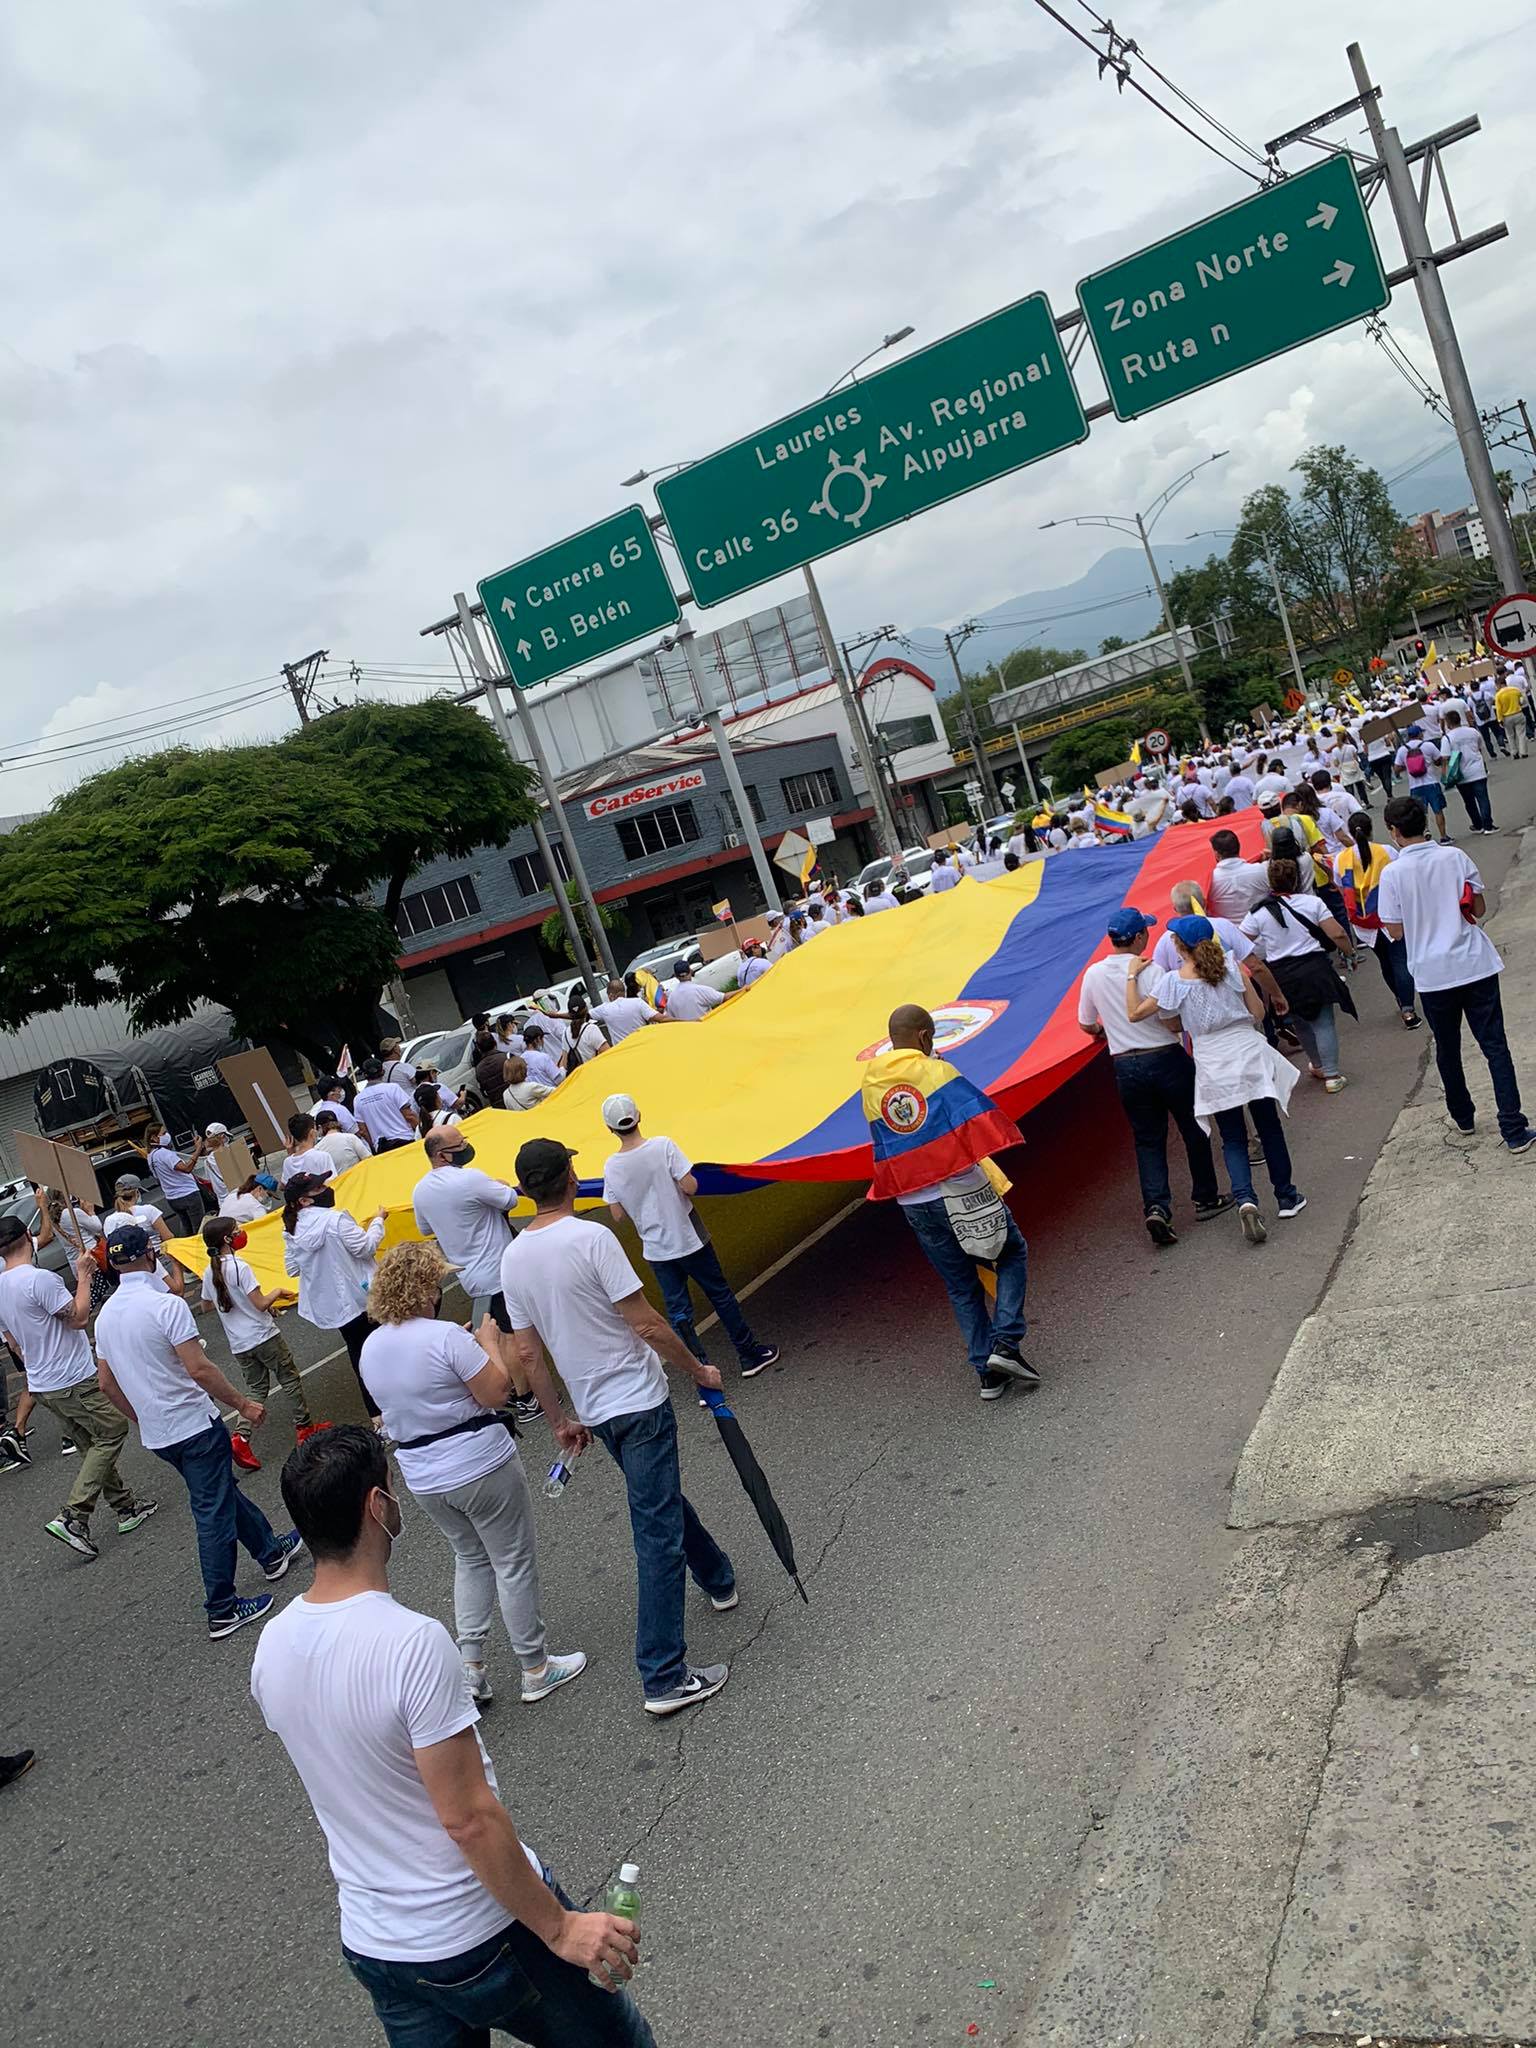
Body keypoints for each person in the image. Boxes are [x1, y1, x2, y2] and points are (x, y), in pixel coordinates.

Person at [250, 1426, 653, 2048]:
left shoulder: (271, 1646)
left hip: (377, 1946)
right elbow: (467, 1818)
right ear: (376, 1507)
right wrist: (557, 1928)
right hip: (478, 1933)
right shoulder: (410, 1643)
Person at [500, 1137, 735, 1717]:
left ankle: (718, 1576)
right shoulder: (592, 1238)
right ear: (570, 1178)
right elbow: (646, 1323)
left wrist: (558, 1420)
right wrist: (698, 1369)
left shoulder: (514, 1259)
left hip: (596, 1409)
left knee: (656, 1498)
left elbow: (528, 1354)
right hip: (638, 1397)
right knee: (654, 1529)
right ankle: (662, 1674)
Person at [363, 1242, 585, 1708]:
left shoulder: (372, 1346)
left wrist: (466, 1350)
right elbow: (496, 1391)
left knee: (469, 1557)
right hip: (477, 1463)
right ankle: (535, 1666)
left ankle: (472, 1667)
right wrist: (484, 1346)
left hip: (423, 1473)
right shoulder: (445, 1337)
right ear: (424, 1288)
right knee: (512, 1561)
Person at [94, 1225, 305, 1637]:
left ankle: (269, 1550)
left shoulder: (106, 1318)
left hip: (159, 1433)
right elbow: (199, 1368)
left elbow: (106, 1383)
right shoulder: (165, 1306)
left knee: (219, 1491)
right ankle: (222, 1607)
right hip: (191, 1423)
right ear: (150, 1255)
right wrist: (242, 1404)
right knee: (211, 1511)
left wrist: (141, 1417)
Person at [863, 1005, 1037, 1401]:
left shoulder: (871, 1083)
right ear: (925, 1037)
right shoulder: (938, 1073)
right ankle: (1007, 1343)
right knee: (1011, 1251)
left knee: (960, 1284)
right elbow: (974, 1119)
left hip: (912, 1199)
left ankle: (986, 1373)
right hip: (960, 1191)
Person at [1126, 917, 1304, 1245]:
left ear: (1179, 946)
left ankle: (1246, 1198)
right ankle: (1287, 1197)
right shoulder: (1233, 968)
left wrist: (1133, 977)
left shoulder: (1171, 982)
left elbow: (1161, 1022)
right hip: (1247, 1052)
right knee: (1269, 1127)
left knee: (1232, 1137)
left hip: (1212, 1061)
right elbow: (1257, 1014)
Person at [1378, 795, 1534, 1150]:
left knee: (1447, 1047)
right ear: (1425, 823)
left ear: (1394, 831)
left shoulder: (1393, 874)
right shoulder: (1455, 857)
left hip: (1433, 975)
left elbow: (1395, 930)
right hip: (1474, 964)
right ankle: (1513, 1128)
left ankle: (1462, 1115)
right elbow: (1477, 906)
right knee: (1495, 1046)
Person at [0, 1214, 156, 1558]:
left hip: (42, 1381)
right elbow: (80, 1317)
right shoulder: (41, 1280)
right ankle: (74, 1515)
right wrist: (83, 1276)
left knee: (90, 1443)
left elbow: (12, 1342)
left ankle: (125, 1506)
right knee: (113, 1430)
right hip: (71, 1377)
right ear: (28, 1236)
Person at [1077, 910, 1231, 1247]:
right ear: (1136, 938)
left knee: (1148, 1140)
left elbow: (1085, 1023)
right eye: (1144, 932)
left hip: (1125, 1064)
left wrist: (1106, 1030)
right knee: (1194, 1127)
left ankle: (1157, 1207)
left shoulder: (1093, 974)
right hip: (1166, 1057)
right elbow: (1171, 1019)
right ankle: (1205, 1196)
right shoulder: (1153, 971)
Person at [601, 1093, 778, 1383]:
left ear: (610, 1129)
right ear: (639, 1116)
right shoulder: (663, 1146)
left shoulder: (611, 1166)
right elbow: (690, 1186)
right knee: (720, 1294)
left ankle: (701, 1372)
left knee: (678, 1312)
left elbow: (617, 1213)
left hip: (656, 1249)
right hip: (689, 1236)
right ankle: (749, 1354)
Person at [412, 1125, 539, 1425]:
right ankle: (525, 1397)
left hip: (470, 1275)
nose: (466, 1147)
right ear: (442, 1155)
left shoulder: (421, 1190)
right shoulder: (469, 1180)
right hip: (498, 1269)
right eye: (460, 1144)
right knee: (509, 1336)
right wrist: (498, 1187)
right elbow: (510, 1199)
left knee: (495, 1333)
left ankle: (513, 1391)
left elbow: (425, 1228)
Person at [200, 1215, 324, 1470]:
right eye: (237, 1230)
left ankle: (241, 1437)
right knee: (289, 1379)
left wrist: (236, 1306)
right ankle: (304, 1428)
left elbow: (205, 1305)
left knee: (256, 1389)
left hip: (240, 1343)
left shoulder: (208, 1271)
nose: (241, 1232)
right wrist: (277, 1292)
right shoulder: (239, 1267)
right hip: (263, 1335)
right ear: (227, 1239)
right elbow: (259, 1303)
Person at [1241, 856, 1356, 1093]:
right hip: (1314, 967)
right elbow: (1337, 934)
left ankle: (1318, 1064)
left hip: (1282, 974)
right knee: (1323, 1021)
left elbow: (1241, 941)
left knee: (1300, 1022)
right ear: (1296, 879)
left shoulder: (1258, 912)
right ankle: (1332, 1075)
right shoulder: (1312, 903)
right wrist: (1350, 952)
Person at [283, 1174, 388, 1420]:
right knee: (386, 1348)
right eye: (319, 1187)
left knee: (359, 1356)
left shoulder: (293, 1229)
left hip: (336, 1307)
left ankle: (377, 1415)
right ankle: (401, 1403)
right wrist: (377, 1222)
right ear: (304, 1201)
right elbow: (366, 1247)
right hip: (363, 1297)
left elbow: (292, 1268)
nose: (327, 1189)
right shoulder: (336, 1220)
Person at [1334, 810, 1420, 1030]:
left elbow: (1340, 887)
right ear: (1371, 829)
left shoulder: (1341, 859)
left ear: (1351, 833)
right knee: (1400, 961)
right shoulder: (1387, 851)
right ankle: (1408, 1007)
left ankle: (1402, 1001)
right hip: (1390, 916)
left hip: (1363, 923)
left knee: (1386, 963)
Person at [102, 1173, 187, 1296]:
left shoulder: (110, 1221)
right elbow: (168, 1237)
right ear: (137, 1192)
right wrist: (175, 1262)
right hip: (158, 1259)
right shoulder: (149, 1210)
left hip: (128, 1268)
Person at [1440, 707, 1496, 836]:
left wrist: (1444, 774)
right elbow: (1480, 748)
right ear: (1460, 719)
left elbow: (1445, 757)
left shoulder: (1447, 738)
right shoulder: (1473, 732)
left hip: (1460, 774)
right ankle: (1488, 825)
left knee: (1469, 801)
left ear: (1448, 723)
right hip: (1478, 769)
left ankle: (1477, 825)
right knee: (1483, 798)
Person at [147, 1126, 208, 1237]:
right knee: (199, 1229)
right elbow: (187, 1168)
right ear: (154, 1138)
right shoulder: (164, 1153)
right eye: (164, 1133)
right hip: (188, 1194)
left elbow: (158, 1179)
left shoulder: (151, 1157)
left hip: (172, 1198)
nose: (167, 1135)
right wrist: (198, 1149)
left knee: (188, 1231)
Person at [1393, 724, 1450, 842]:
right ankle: (1443, 836)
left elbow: (1396, 769)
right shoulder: (1428, 745)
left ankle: (1425, 832)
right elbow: (1439, 760)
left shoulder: (1403, 750)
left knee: (1420, 813)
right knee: (1438, 810)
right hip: (1431, 783)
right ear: (1420, 734)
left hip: (1415, 786)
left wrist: (1408, 766)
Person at [353, 1057, 420, 1154]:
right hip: (406, 1142)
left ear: (365, 1075)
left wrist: (374, 1148)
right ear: (383, 1072)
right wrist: (423, 1132)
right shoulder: (393, 1089)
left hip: (382, 1149)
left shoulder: (358, 1099)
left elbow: (363, 1131)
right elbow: (409, 1116)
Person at [1205, 831, 1272, 921]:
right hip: (1264, 927)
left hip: (1227, 933)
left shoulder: (1209, 883)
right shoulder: (1262, 870)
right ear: (1239, 847)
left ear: (1216, 854)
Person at [593, 979, 660, 1043]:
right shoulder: (638, 1002)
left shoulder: (604, 1009)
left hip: (623, 1051)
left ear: (610, 995)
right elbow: (660, 1018)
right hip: (643, 1045)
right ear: (624, 992)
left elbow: (586, 1015)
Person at [281, 1112, 337, 1185]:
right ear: (312, 1132)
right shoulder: (322, 1156)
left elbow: (284, 1185)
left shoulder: (287, 1162)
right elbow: (333, 1182)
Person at [315, 1108, 371, 1174]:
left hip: (338, 1183)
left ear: (319, 1127)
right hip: (360, 1179)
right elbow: (369, 1159)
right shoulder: (351, 1138)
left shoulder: (318, 1148)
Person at [200, 1123, 237, 1207]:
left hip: (223, 1203)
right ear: (223, 1136)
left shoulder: (207, 1161)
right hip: (238, 1195)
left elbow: (209, 1180)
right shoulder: (231, 1154)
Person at [1496, 666, 1529, 759]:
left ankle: (1514, 752)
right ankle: (1523, 752)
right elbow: (1523, 701)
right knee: (1521, 734)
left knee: (1510, 736)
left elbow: (1499, 709)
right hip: (1518, 713)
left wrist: (1500, 720)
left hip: (1507, 717)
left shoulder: (1498, 695)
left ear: (1499, 684)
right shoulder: (1515, 690)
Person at [472, 1029, 508, 1110]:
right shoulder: (506, 1057)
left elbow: (484, 1092)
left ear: (479, 1048)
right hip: (515, 1101)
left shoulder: (479, 1069)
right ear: (495, 1043)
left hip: (498, 1107)